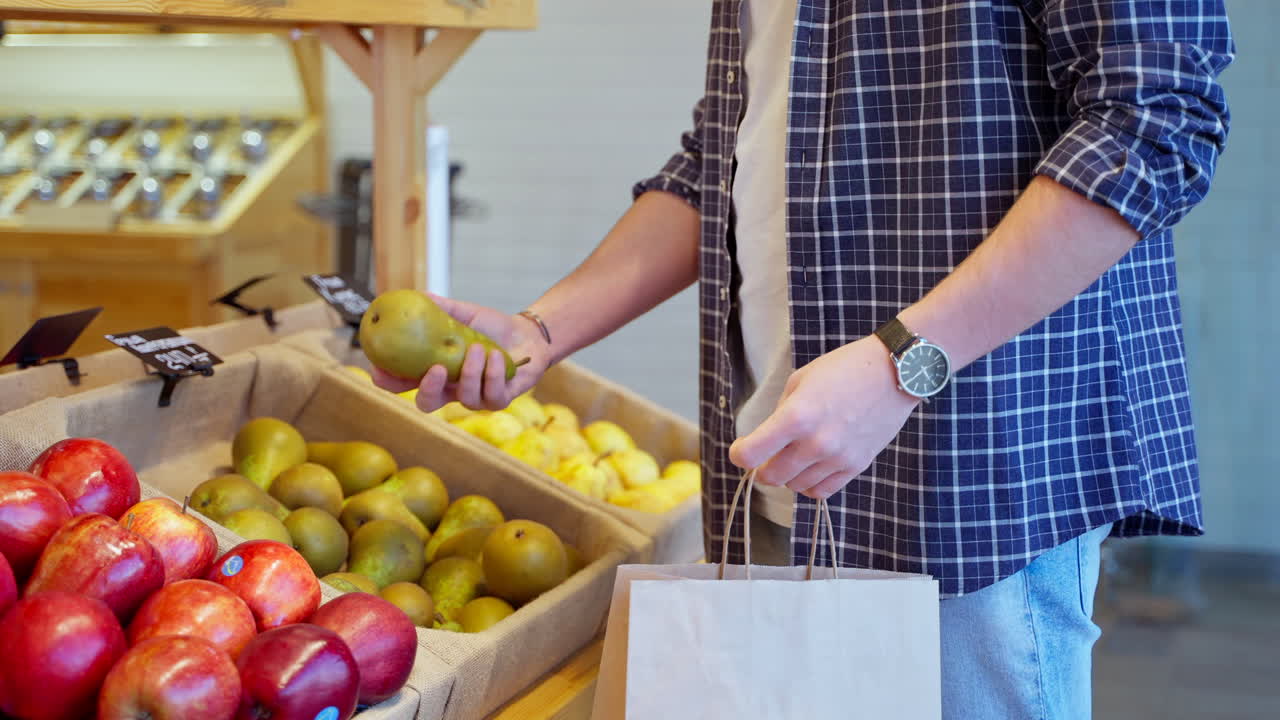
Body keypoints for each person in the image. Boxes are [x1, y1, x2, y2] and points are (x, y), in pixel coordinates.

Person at [375, 1, 1234, 716]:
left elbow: (1155, 120)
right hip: (777, 456)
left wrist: (903, 361)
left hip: (974, 476)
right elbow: (720, 157)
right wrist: (540, 330)